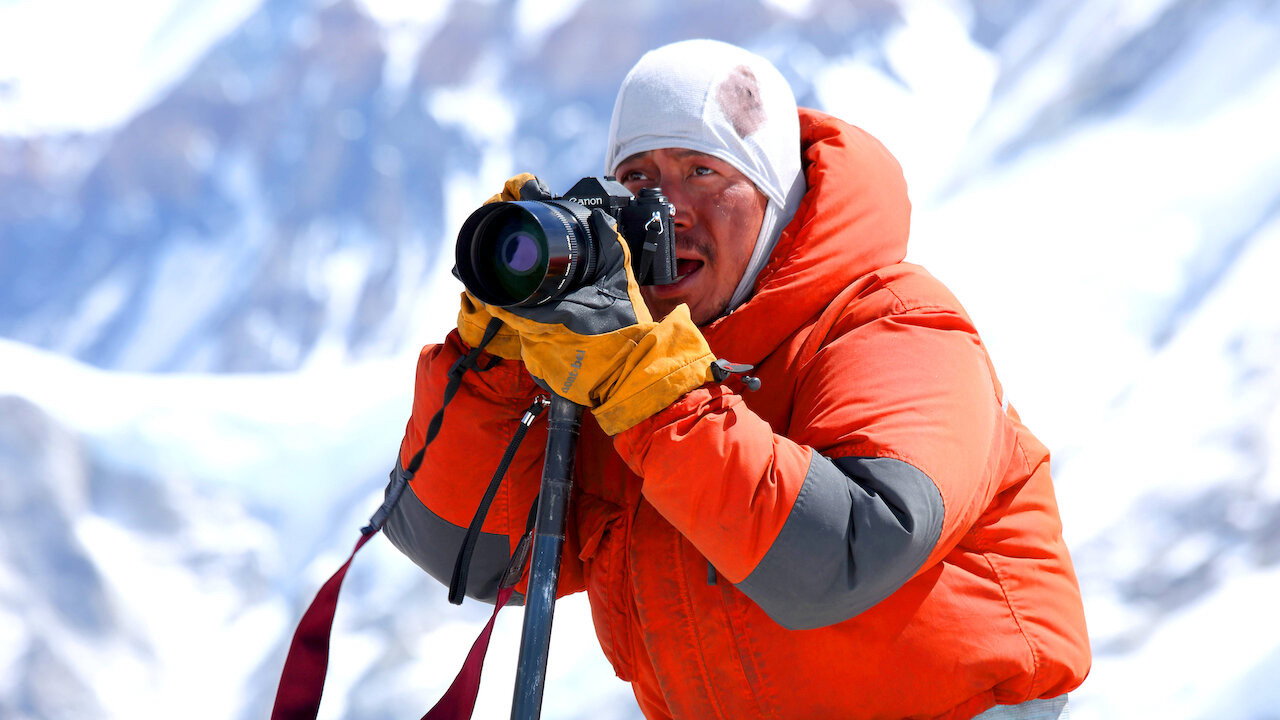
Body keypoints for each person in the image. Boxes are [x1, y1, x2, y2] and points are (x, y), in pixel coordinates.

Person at [385, 39, 1091, 720]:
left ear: (777, 197)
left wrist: (657, 395)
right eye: (639, 181)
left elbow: (849, 550)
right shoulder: (617, 368)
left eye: (703, 172)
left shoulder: (894, 324)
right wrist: (497, 365)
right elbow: (475, 557)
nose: (669, 210)